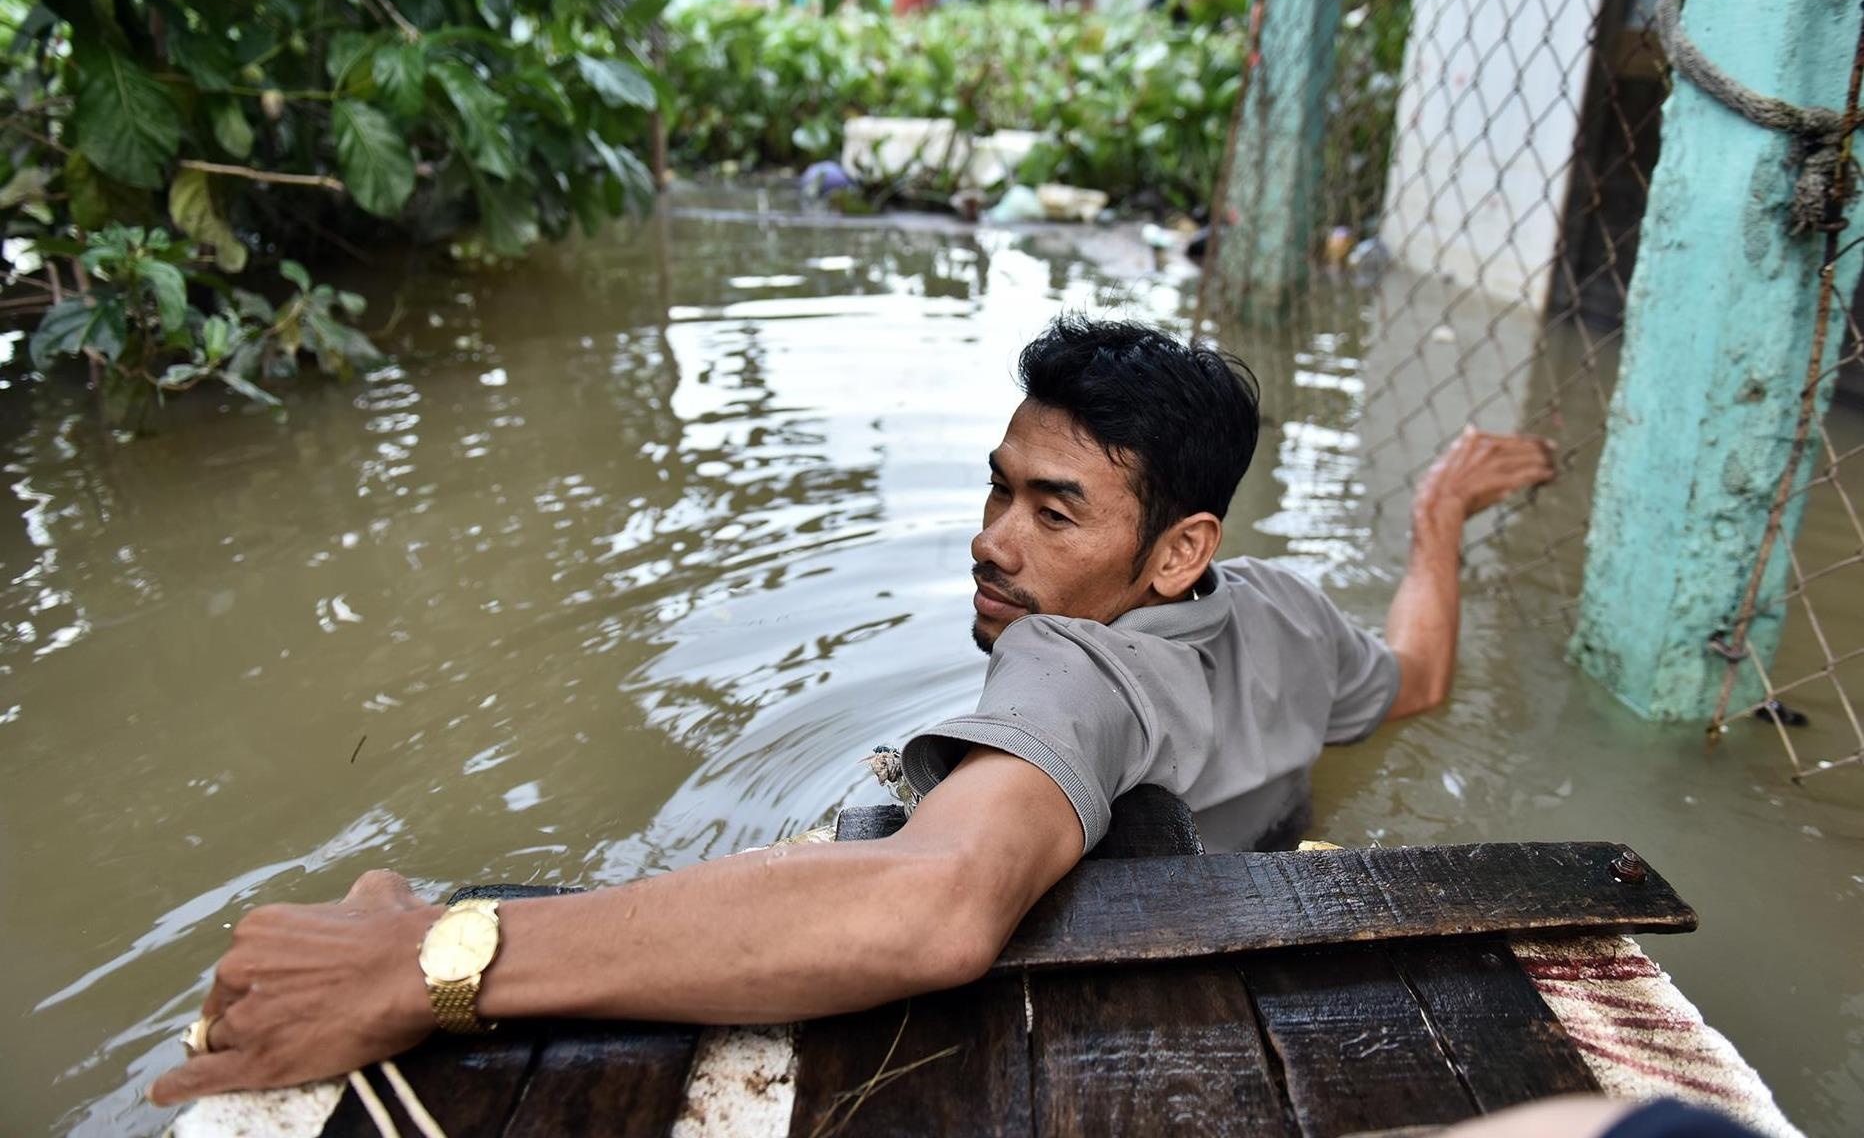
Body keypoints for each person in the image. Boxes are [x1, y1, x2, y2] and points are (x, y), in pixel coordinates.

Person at [149, 316, 1555, 1106]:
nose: (992, 540)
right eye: (998, 485)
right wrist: (1440, 521)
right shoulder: (1292, 610)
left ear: (1177, 550)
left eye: (1052, 509)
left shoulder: (1072, 666)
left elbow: (928, 909)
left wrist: (432, 953)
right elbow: (1417, 683)